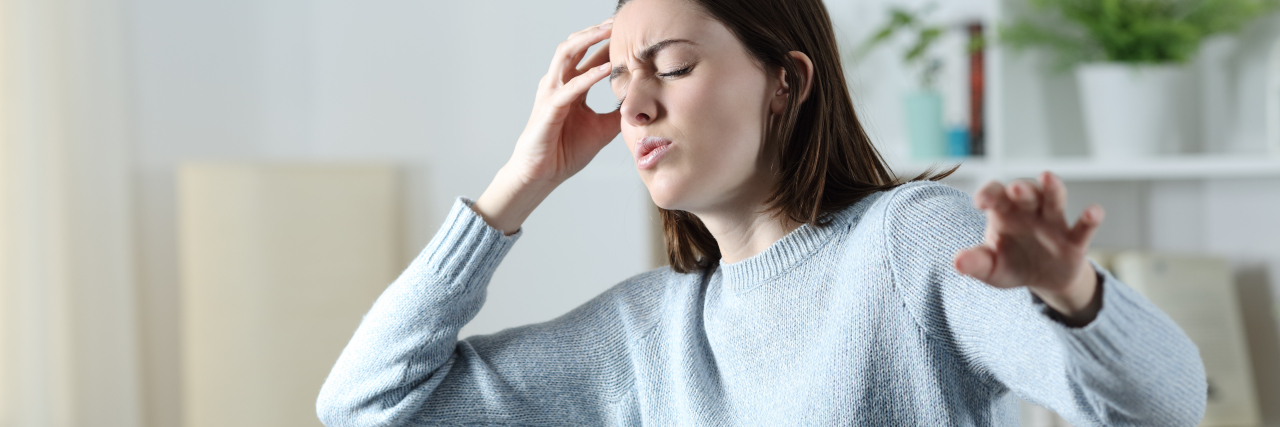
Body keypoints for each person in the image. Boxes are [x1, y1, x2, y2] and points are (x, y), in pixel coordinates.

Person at [316, 0, 1207, 425]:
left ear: (786, 80)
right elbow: (365, 406)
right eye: (620, 80)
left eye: (671, 64)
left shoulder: (906, 242)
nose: (633, 106)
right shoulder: (647, 331)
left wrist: (1072, 291)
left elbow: (1166, 404)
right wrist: (521, 180)